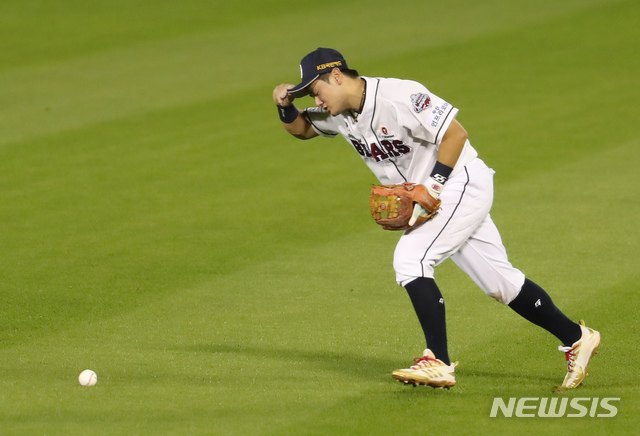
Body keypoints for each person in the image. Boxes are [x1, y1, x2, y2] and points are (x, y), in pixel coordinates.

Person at [272, 47, 600, 389]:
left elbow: (455, 133)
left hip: (460, 183)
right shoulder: (339, 113)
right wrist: (285, 106)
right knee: (500, 283)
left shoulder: (399, 95)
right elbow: (302, 129)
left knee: (411, 259)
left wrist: (433, 186)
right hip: (430, 199)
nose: (317, 100)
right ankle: (577, 337)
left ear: (336, 76)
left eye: (316, 91)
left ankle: (439, 362)